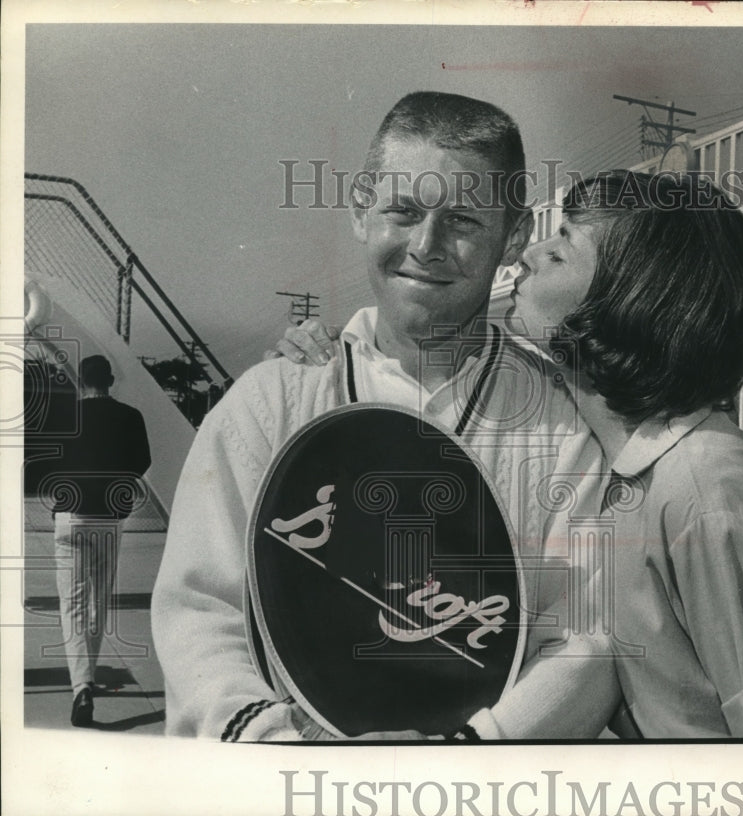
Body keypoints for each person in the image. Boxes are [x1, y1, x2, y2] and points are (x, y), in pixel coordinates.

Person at [280, 170, 743, 737]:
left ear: (632, 296)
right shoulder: (623, 461)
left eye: (565, 245)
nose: (528, 252)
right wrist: (337, 350)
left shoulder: (711, 490)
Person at [150, 91, 608, 742]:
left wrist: (465, 752)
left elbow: (586, 636)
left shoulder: (562, 427)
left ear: (515, 235)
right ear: (362, 208)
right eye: (403, 210)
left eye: (464, 221)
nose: (427, 245)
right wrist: (278, 743)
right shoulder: (270, 400)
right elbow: (199, 607)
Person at [48, 354, 151, 727]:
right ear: (110, 380)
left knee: (72, 608)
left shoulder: (65, 417)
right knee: (96, 605)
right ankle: (86, 680)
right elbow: (142, 461)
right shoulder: (130, 417)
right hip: (108, 519)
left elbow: (48, 463)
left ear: (82, 381)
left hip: (69, 517)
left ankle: (82, 687)